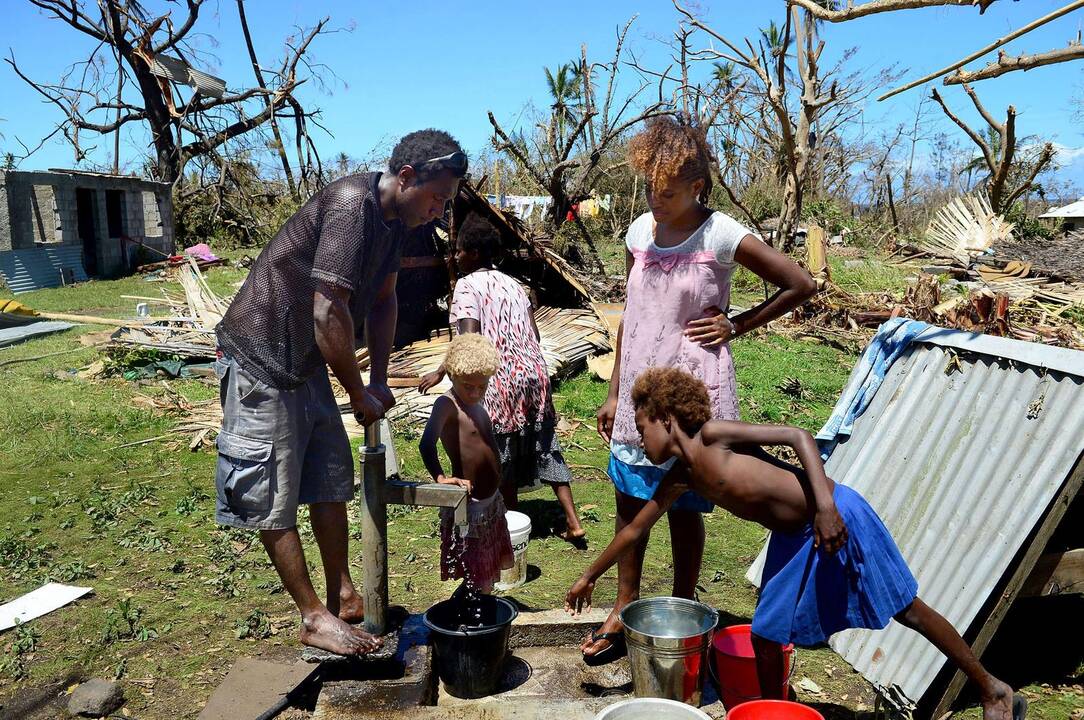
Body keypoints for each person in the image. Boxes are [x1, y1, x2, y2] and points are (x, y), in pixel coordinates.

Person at [567, 367, 1026, 720]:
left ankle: (991, 687)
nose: (639, 438)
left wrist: (825, 506)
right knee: (767, 635)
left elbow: (797, 436)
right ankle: (772, 711)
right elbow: (633, 530)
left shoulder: (714, 435)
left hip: (835, 513)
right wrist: (590, 574)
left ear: (667, 419)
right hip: (792, 538)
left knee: (906, 608)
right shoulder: (679, 478)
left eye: (643, 426)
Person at [213, 129, 467, 656]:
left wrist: (377, 379)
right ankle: (313, 617)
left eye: (448, 201)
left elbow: (383, 301)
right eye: (438, 197)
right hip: (262, 357)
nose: (441, 211)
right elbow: (328, 310)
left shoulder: (399, 224)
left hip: (307, 363)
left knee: (329, 477)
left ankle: (342, 593)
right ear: (405, 178)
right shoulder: (354, 205)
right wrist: (356, 392)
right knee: (272, 493)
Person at [588, 116, 816, 661]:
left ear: (698, 187)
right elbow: (632, 315)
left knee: (687, 504)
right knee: (629, 498)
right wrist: (616, 390)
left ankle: (685, 613)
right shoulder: (639, 232)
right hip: (643, 387)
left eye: (667, 192)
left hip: (694, 389)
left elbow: (800, 283)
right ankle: (624, 606)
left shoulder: (721, 234)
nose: (655, 200)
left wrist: (736, 322)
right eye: (649, 188)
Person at [418, 212, 586, 545]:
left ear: (475, 253)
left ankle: (505, 527)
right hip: (535, 372)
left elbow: (469, 341)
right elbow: (534, 334)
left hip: (499, 376)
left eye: (460, 250)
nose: (455, 256)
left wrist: (442, 372)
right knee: (547, 447)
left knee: (500, 453)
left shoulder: (467, 286)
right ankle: (572, 520)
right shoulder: (514, 284)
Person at [419, 333, 515, 594]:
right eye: (468, 387)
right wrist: (440, 478)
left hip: (491, 501)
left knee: (487, 571)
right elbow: (426, 443)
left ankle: (478, 610)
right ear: (451, 376)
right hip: (471, 504)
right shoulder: (446, 405)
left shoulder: (475, 402)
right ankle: (467, 618)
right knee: (474, 571)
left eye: (482, 387)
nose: (475, 393)